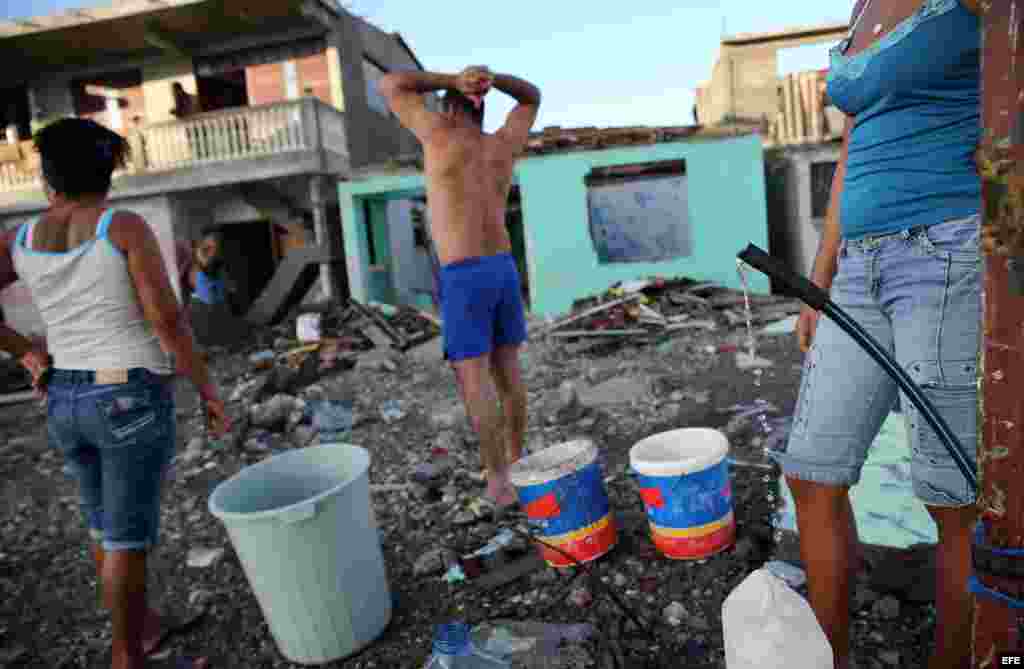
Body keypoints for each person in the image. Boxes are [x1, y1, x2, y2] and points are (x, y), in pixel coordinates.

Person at [772, 1, 982, 668]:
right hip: (859, 266)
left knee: (953, 500)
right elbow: (852, 148)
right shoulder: (862, 7)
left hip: (950, 250)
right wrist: (821, 278)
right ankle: (830, 656)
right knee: (811, 473)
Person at [0, 117, 230, 669]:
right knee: (127, 535)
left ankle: (142, 629)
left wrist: (26, 353)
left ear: (48, 174)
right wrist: (206, 388)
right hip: (126, 396)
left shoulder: (22, 237)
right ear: (107, 171)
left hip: (64, 399)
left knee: (106, 525)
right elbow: (168, 321)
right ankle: (127, 657)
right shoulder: (121, 226)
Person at [380, 66, 541, 511]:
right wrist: (494, 80)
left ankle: (499, 482)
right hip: (503, 269)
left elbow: (391, 84)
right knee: (508, 372)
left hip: (464, 274)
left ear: (450, 104)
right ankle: (515, 460)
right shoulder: (501, 145)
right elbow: (531, 96)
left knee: (476, 380)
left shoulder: (438, 134)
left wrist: (453, 78)